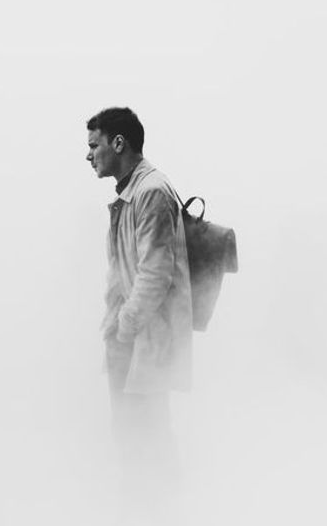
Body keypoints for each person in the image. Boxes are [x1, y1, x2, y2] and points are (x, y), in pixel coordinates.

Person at [85, 107, 192, 521]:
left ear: (118, 143)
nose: (89, 155)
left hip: (144, 343)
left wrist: (123, 329)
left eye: (94, 145)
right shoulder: (131, 192)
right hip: (132, 340)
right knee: (137, 435)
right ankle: (148, 510)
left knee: (145, 437)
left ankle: (160, 512)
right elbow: (125, 272)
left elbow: (155, 274)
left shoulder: (151, 191)